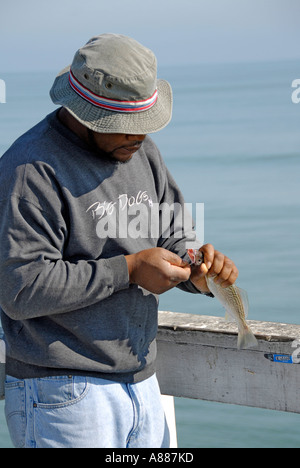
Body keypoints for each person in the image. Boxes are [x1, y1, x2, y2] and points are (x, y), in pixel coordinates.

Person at [0, 34, 238, 448]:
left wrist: (198, 272)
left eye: (145, 125)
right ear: (85, 114)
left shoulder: (141, 151)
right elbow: (20, 289)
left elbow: (173, 233)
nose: (140, 137)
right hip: (64, 395)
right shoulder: (30, 171)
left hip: (144, 383)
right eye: (127, 128)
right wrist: (127, 270)